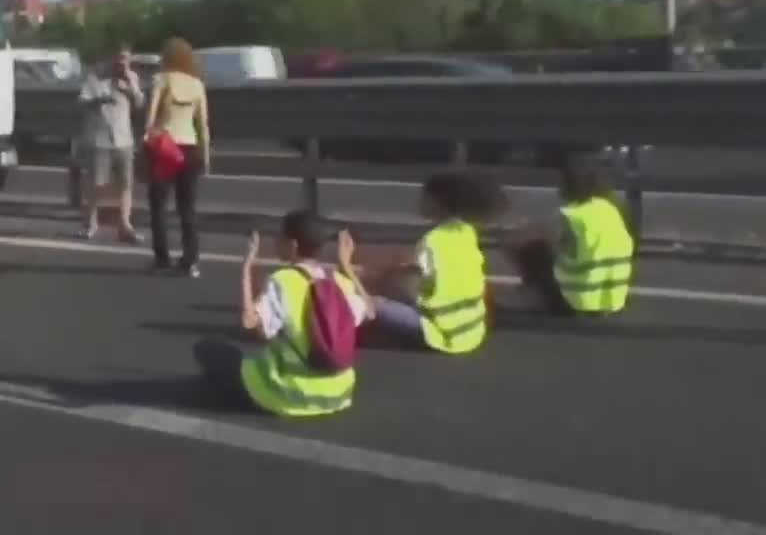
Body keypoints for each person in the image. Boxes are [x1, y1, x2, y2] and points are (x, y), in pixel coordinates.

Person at [193, 209, 373, 417]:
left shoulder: (283, 281)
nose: (276, 241)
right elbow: (370, 311)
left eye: (280, 237)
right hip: (339, 394)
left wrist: (246, 267)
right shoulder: (338, 281)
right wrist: (346, 266)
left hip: (291, 394)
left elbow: (248, 321)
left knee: (210, 350)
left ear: (293, 246)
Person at [364, 170, 505, 355]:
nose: (419, 202)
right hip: (472, 330)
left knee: (371, 302)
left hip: (444, 333)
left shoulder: (432, 241)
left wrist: (379, 280)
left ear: (438, 203)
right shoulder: (466, 231)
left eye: (425, 197)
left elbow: (409, 287)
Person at [507, 153, 635, 316]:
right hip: (613, 301)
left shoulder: (570, 215)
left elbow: (521, 241)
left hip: (575, 304)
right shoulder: (614, 210)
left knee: (531, 249)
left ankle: (537, 298)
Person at [143, 37, 210, 277]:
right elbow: (203, 124)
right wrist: (206, 155)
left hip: (165, 148)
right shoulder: (197, 84)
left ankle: (162, 259)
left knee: (159, 206)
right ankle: (190, 261)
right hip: (190, 148)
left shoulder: (161, 80)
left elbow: (150, 119)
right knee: (188, 208)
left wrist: (147, 144)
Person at [75, 45, 144, 242]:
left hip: (124, 138)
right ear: (112, 59)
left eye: (126, 60)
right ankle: (90, 222)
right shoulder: (96, 77)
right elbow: (81, 102)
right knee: (97, 184)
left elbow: (139, 104)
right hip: (100, 138)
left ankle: (125, 225)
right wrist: (99, 99)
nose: (122, 63)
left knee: (126, 184)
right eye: (119, 59)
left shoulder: (131, 78)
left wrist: (129, 88)